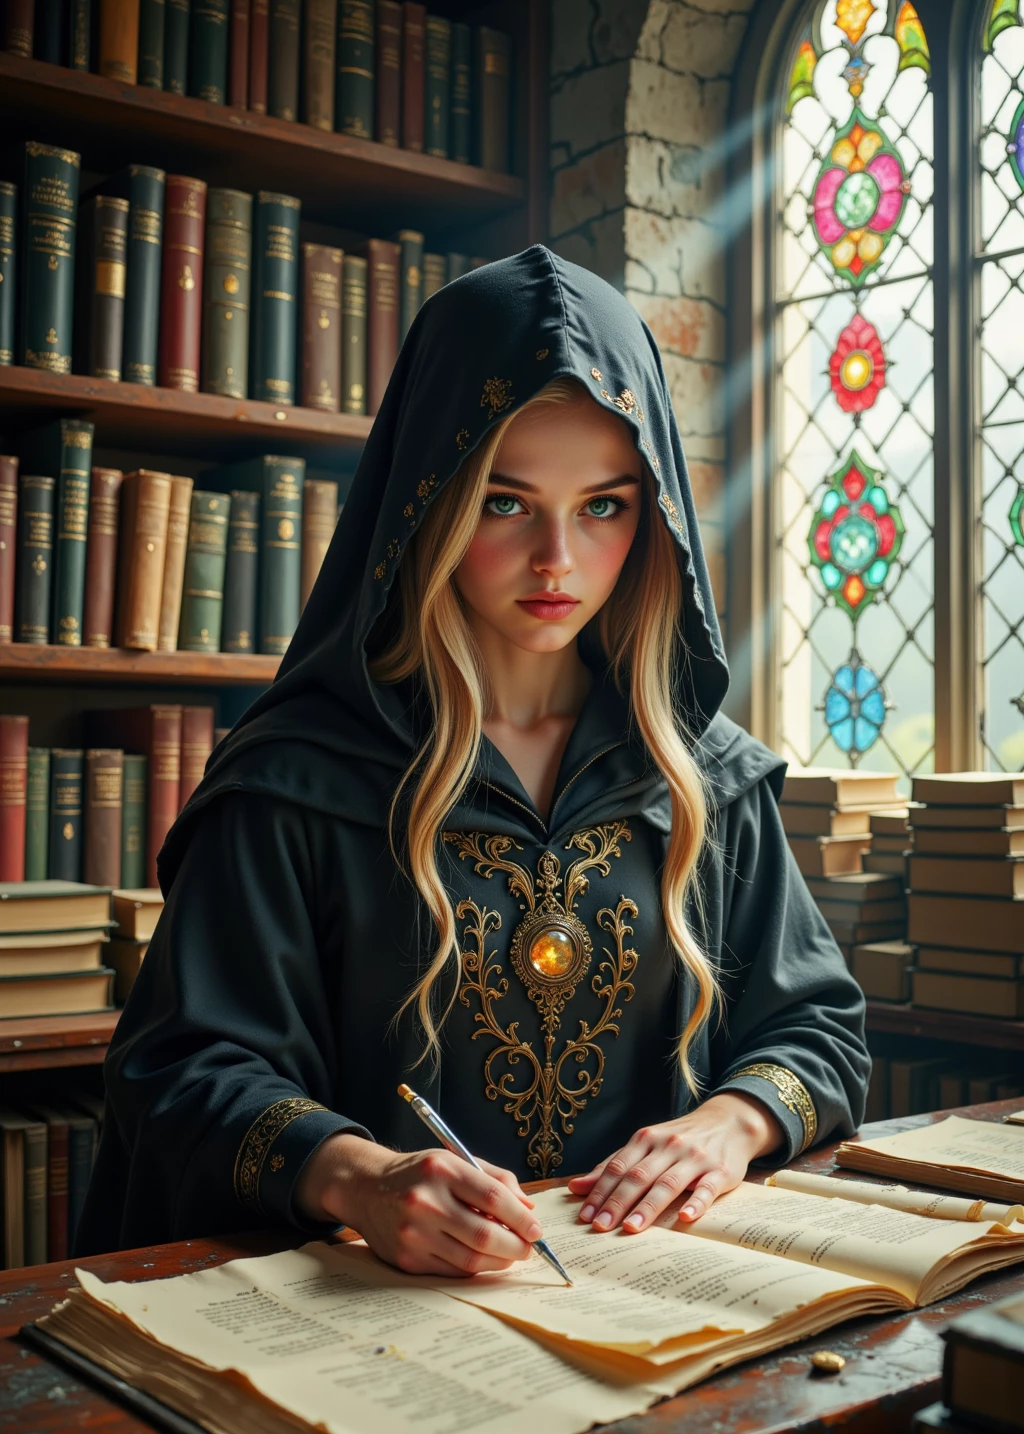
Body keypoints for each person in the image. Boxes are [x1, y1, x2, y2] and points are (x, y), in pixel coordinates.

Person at [77, 246, 870, 1271]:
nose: (557, 560)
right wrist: (355, 1176)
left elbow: (819, 1028)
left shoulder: (706, 780)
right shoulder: (294, 784)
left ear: (655, 514)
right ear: (427, 503)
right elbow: (180, 1070)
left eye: (603, 506)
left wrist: (729, 1124)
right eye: (505, 502)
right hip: (369, 1334)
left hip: (668, 1309)